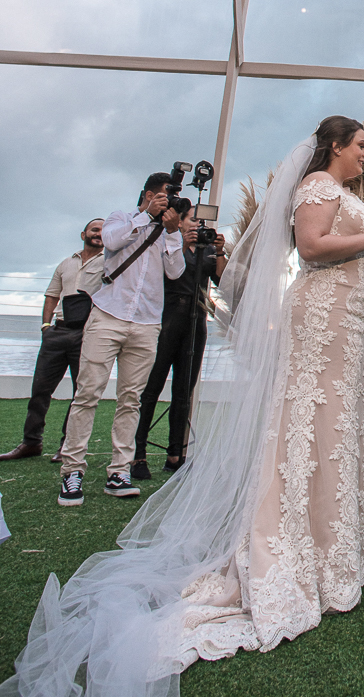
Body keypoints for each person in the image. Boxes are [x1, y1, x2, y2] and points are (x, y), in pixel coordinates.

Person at [0, 117, 364, 697]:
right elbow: (316, 247)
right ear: (335, 146)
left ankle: (329, 549)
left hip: (343, 327)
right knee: (305, 431)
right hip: (321, 319)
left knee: (328, 436)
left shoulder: (343, 185)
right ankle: (288, 547)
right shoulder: (313, 186)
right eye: (360, 143)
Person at [56, 174, 185, 507]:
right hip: (108, 316)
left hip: (146, 323)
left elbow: (175, 272)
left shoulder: (168, 231)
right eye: (161, 197)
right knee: (87, 394)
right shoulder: (122, 218)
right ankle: (72, 470)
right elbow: (112, 242)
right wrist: (146, 215)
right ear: (147, 195)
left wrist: (172, 232)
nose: (166, 203)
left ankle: (119, 471)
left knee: (131, 399)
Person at [131, 211, 227, 479]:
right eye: (192, 220)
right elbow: (164, 274)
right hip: (167, 317)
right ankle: (137, 454)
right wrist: (182, 243)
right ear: (181, 222)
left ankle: (176, 453)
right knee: (151, 387)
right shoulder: (168, 243)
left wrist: (219, 252)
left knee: (184, 390)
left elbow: (221, 281)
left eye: (200, 222)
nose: (198, 224)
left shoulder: (207, 248)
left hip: (196, 321)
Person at [0, 220, 105, 464]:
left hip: (87, 334)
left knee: (81, 393)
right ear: (84, 234)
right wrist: (46, 327)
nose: (99, 234)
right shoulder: (66, 263)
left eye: (103, 231)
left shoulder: (110, 262)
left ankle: (67, 447)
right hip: (57, 333)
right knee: (40, 390)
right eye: (94, 230)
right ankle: (31, 442)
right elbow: (51, 295)